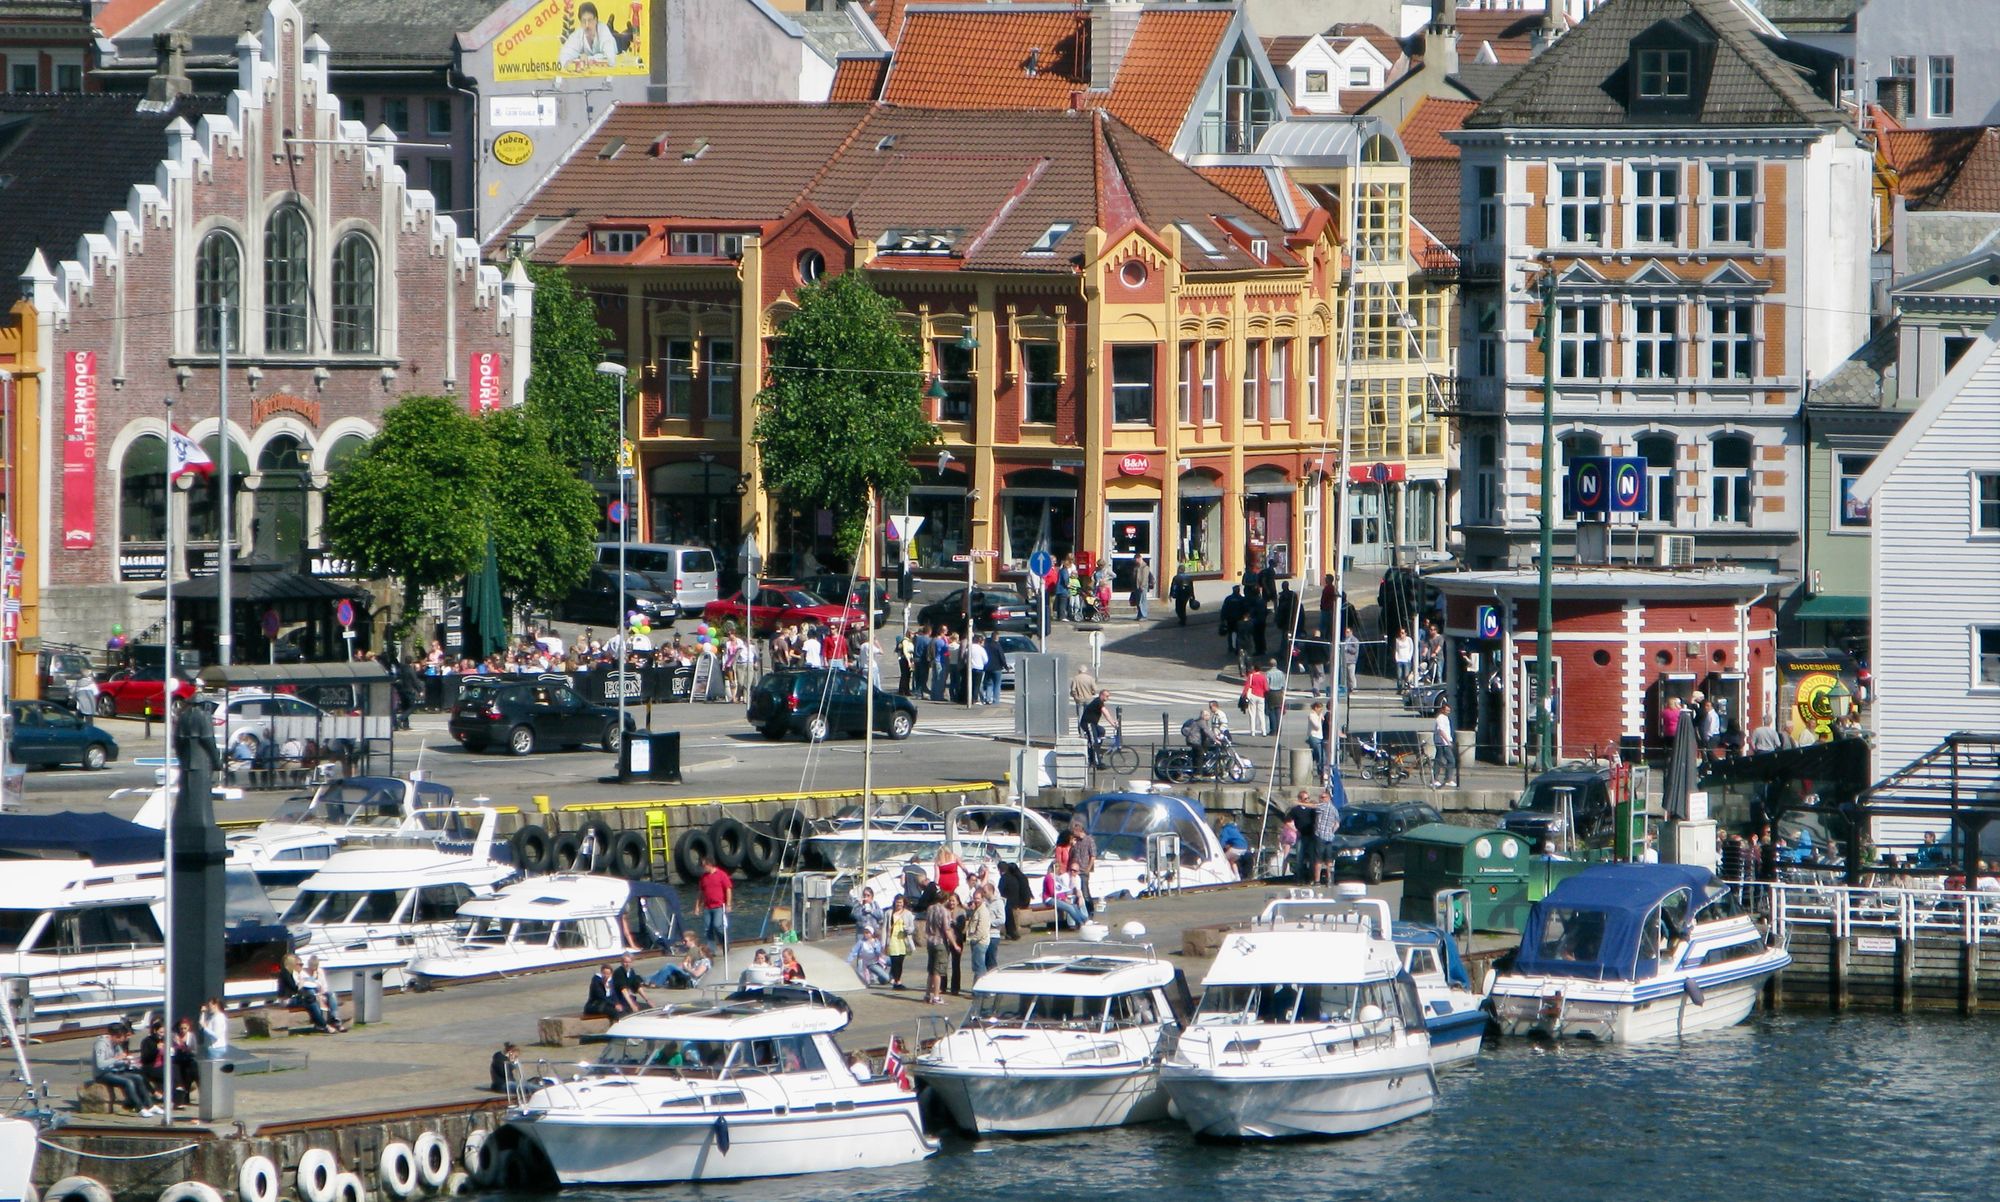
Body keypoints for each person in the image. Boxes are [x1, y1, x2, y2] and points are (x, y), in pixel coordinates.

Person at [93, 1021, 159, 1115]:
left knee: (138, 1078)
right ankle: (139, 1108)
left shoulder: (116, 1044)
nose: (122, 1040)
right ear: (115, 1036)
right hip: (102, 1074)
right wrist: (117, 1058)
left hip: (114, 1070)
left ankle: (150, 1105)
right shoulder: (101, 1044)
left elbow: (119, 1059)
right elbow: (100, 1064)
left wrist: (126, 1062)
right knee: (128, 1082)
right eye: (121, 1038)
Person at [557, 1, 620, 69]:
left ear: (596, 20)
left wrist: (587, 58)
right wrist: (577, 58)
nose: (587, 25)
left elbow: (610, 59)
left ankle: (610, 25)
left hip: (619, 42)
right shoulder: (578, 34)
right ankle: (610, 25)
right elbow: (563, 57)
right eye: (584, 21)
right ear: (580, 22)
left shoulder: (603, 31)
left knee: (624, 36)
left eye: (590, 20)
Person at [924, 892, 960, 1005]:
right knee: (938, 971)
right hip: (940, 942)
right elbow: (947, 929)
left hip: (930, 941)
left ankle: (927, 994)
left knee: (931, 970)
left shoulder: (930, 909)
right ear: (945, 899)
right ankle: (936, 996)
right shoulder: (944, 911)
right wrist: (955, 944)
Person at [297, 954, 346, 1032]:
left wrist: (322, 993)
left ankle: (335, 1020)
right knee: (313, 994)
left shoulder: (320, 972)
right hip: (310, 995)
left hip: (320, 992)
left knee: (331, 994)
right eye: (311, 967)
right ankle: (322, 1025)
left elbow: (324, 986)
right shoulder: (303, 973)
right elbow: (302, 988)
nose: (313, 970)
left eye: (315, 968)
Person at [648, 934, 712, 989]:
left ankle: (653, 982)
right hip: (688, 976)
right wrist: (689, 967)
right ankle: (647, 980)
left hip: (690, 981)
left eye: (700, 952)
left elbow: (697, 974)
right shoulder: (701, 960)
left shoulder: (706, 961)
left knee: (669, 966)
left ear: (704, 953)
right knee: (666, 969)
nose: (699, 953)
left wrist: (687, 968)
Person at [698, 854, 732, 949]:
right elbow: (701, 892)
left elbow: (728, 889)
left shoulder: (721, 874)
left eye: (704, 865)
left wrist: (728, 904)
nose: (703, 868)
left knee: (717, 926)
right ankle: (711, 950)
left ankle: (724, 943)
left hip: (719, 906)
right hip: (707, 906)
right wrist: (697, 906)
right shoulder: (704, 877)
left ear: (710, 864)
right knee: (708, 929)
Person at [1067, 815, 1097, 919]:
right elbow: (1071, 855)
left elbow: (1093, 856)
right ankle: (1079, 913)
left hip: (1084, 870)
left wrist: (1088, 868)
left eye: (1074, 832)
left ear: (1079, 830)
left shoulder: (1089, 840)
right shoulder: (1075, 842)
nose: (1073, 834)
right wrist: (1071, 845)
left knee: (1085, 892)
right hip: (1075, 870)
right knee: (1075, 892)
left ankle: (1090, 911)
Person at [885, 894, 914, 989]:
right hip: (892, 939)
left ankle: (897, 980)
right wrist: (883, 942)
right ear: (894, 902)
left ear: (904, 903)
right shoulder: (889, 913)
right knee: (894, 961)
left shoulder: (908, 913)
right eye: (897, 902)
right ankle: (897, 981)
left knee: (900, 961)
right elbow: (885, 928)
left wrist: (908, 930)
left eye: (900, 902)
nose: (899, 904)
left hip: (903, 940)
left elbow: (912, 928)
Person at [998, 861, 1032, 939]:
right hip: (1018, 901)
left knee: (1007, 911)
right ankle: (1012, 932)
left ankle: (1011, 932)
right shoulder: (1018, 878)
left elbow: (1001, 891)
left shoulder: (1004, 878)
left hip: (1011, 903)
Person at [1432, 702, 1459, 787]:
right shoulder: (1440, 718)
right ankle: (1440, 779)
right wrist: (1448, 741)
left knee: (1441, 760)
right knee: (1447, 760)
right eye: (1447, 710)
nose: (1448, 712)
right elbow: (1441, 731)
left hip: (1444, 742)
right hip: (1442, 743)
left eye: (1449, 711)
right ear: (1442, 710)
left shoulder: (1445, 717)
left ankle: (1445, 779)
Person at [1262, 658, 1287, 737]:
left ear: (1270, 665)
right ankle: (1279, 730)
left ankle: (1273, 730)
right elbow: (1283, 684)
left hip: (1271, 693)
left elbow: (1266, 685)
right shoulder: (1281, 673)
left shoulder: (1268, 673)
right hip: (1279, 692)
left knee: (1271, 712)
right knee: (1278, 711)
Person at [1241, 666, 1269, 736]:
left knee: (1252, 714)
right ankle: (1264, 731)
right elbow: (1266, 688)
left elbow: (1247, 686)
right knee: (1261, 714)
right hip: (1261, 696)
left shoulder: (1251, 676)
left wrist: (1243, 694)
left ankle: (1253, 731)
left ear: (1254, 669)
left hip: (1253, 695)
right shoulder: (1263, 677)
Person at [200, 996, 229, 1060]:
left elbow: (216, 1035)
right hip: (213, 1048)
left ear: (215, 1005)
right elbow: (201, 1024)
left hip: (217, 1048)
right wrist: (203, 1013)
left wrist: (205, 1028)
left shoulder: (219, 1018)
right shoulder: (213, 1017)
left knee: (214, 1066)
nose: (208, 1008)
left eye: (209, 1005)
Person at [1130, 554, 1153, 620]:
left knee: (1142, 601)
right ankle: (1139, 615)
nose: (1135, 561)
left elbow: (1145, 578)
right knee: (1138, 602)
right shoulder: (1136, 566)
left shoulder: (1145, 567)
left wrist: (1142, 586)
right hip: (1136, 586)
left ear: (1139, 558)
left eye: (1136, 559)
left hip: (1142, 587)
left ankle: (1144, 615)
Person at [1393, 628, 1415, 693]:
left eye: (1402, 633)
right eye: (1400, 633)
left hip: (1406, 660)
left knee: (1406, 676)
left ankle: (1406, 689)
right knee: (1399, 675)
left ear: (1405, 633)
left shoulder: (1409, 639)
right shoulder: (1397, 640)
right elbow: (1397, 649)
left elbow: (1411, 648)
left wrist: (1409, 657)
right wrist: (1396, 658)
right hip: (1399, 659)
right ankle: (1399, 689)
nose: (1401, 634)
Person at [1341, 626, 1360, 696]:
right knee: (1346, 676)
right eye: (1345, 632)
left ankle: (1354, 687)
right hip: (1344, 660)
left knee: (1351, 675)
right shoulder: (1345, 639)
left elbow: (1355, 650)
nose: (1346, 633)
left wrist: (1347, 647)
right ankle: (1348, 688)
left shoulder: (1354, 640)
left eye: (1348, 632)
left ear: (1351, 632)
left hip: (1351, 660)